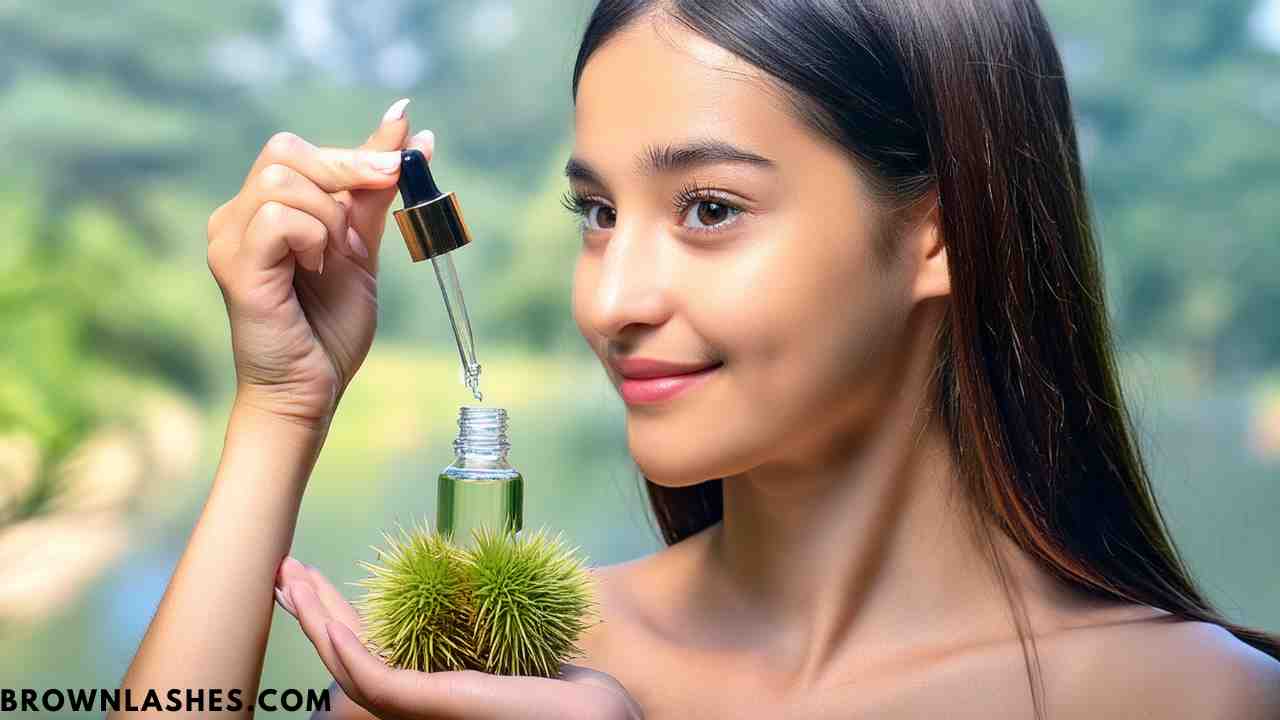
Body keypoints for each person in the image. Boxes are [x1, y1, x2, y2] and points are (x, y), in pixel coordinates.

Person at [115, 1, 1280, 718]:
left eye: (709, 209)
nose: (609, 299)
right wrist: (280, 408)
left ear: (943, 228)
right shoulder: (497, 667)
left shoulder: (1194, 701)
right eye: (596, 213)